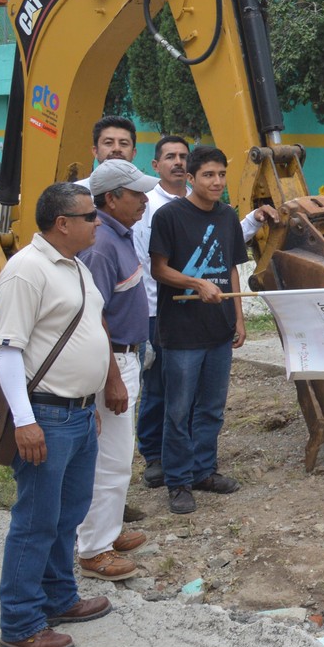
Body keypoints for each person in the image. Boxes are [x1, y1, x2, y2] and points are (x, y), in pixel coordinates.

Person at [0, 182, 125, 647]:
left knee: (67, 515)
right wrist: (25, 420)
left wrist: (91, 399)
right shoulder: (26, 270)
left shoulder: (75, 265)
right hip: (46, 414)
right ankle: (20, 623)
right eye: (90, 216)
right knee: (36, 521)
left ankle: (58, 597)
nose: (98, 221)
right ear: (62, 223)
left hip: (77, 413)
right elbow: (8, 350)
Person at [150, 146, 248, 515]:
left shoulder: (228, 216)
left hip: (219, 330)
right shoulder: (169, 216)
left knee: (212, 409)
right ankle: (178, 482)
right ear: (190, 178)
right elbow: (159, 269)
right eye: (208, 175)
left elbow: (233, 268)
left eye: (221, 174)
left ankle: (204, 471)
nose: (217, 182)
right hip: (181, 334)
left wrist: (238, 319)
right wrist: (195, 283)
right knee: (178, 411)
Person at [74, 159, 156, 580]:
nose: (144, 200)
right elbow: (94, 318)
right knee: (110, 458)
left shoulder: (117, 235)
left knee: (118, 455)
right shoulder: (101, 246)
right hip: (114, 361)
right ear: (111, 198)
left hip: (127, 356)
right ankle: (94, 550)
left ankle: (106, 530)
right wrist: (111, 379)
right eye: (136, 193)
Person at [136, 134, 189, 489]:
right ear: (156, 165)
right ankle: (153, 455)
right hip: (156, 309)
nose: (178, 162)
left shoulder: (198, 202)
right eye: (170, 156)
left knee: (186, 386)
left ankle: (183, 450)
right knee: (156, 386)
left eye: (183, 156)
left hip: (192, 307)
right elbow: (143, 260)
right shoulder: (147, 205)